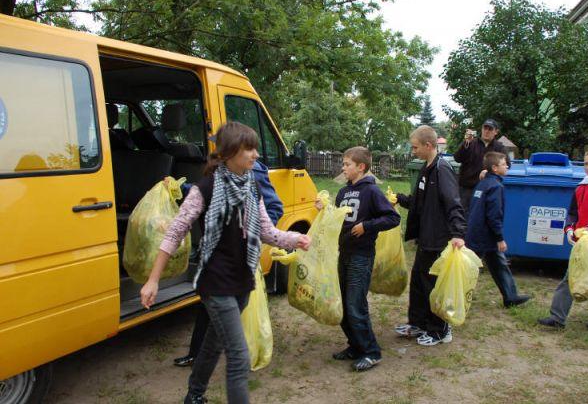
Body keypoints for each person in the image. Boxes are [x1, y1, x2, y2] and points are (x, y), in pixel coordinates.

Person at [140, 122, 311, 404]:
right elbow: (175, 231)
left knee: (214, 342)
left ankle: (194, 395)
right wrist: (153, 279)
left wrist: (296, 239)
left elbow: (267, 231)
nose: (256, 155)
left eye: (256, 148)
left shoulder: (251, 186)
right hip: (215, 280)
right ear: (230, 152)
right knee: (239, 355)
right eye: (249, 149)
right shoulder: (204, 189)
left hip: (242, 278)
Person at [173, 159, 284, 368]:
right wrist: (179, 187)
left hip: (241, 256)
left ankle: (242, 355)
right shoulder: (219, 168)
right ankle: (197, 356)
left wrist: (255, 236)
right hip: (217, 258)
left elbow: (275, 207)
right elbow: (206, 190)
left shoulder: (254, 170)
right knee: (209, 306)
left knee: (240, 310)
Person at [315, 146, 400, 371]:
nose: (343, 168)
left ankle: (372, 352)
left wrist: (367, 226)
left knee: (355, 304)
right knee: (342, 303)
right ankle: (355, 345)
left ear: (361, 167)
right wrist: (324, 210)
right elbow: (339, 219)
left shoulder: (372, 192)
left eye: (347, 165)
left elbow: (392, 218)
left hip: (362, 256)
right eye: (343, 164)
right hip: (345, 254)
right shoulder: (343, 192)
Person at [394, 125, 466, 346]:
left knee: (433, 286)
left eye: (415, 147)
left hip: (438, 239)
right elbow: (419, 203)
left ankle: (440, 330)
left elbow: (453, 203)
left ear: (428, 145)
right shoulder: (427, 168)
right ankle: (418, 323)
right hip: (425, 238)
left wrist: (457, 233)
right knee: (418, 281)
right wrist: (400, 199)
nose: (413, 151)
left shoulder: (441, 169)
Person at [538, 148, 588, 329]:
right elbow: (573, 214)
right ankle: (557, 317)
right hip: (581, 244)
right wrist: (569, 229)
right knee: (570, 277)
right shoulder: (580, 188)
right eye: (586, 163)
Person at [465, 152, 530, 307]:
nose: (507, 165)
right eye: (503, 164)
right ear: (494, 168)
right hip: (484, 235)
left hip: (476, 232)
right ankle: (455, 295)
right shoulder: (495, 187)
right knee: (469, 268)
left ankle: (510, 297)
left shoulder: (483, 184)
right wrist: (499, 238)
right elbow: (494, 215)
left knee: (498, 264)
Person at [454, 118, 511, 212]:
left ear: (496, 132)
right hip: (467, 190)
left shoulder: (499, 147)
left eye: (490, 129)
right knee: (463, 219)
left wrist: (489, 172)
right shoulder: (471, 143)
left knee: (482, 218)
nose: (486, 131)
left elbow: (507, 165)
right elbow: (457, 158)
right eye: (485, 128)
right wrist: (466, 143)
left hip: (488, 190)